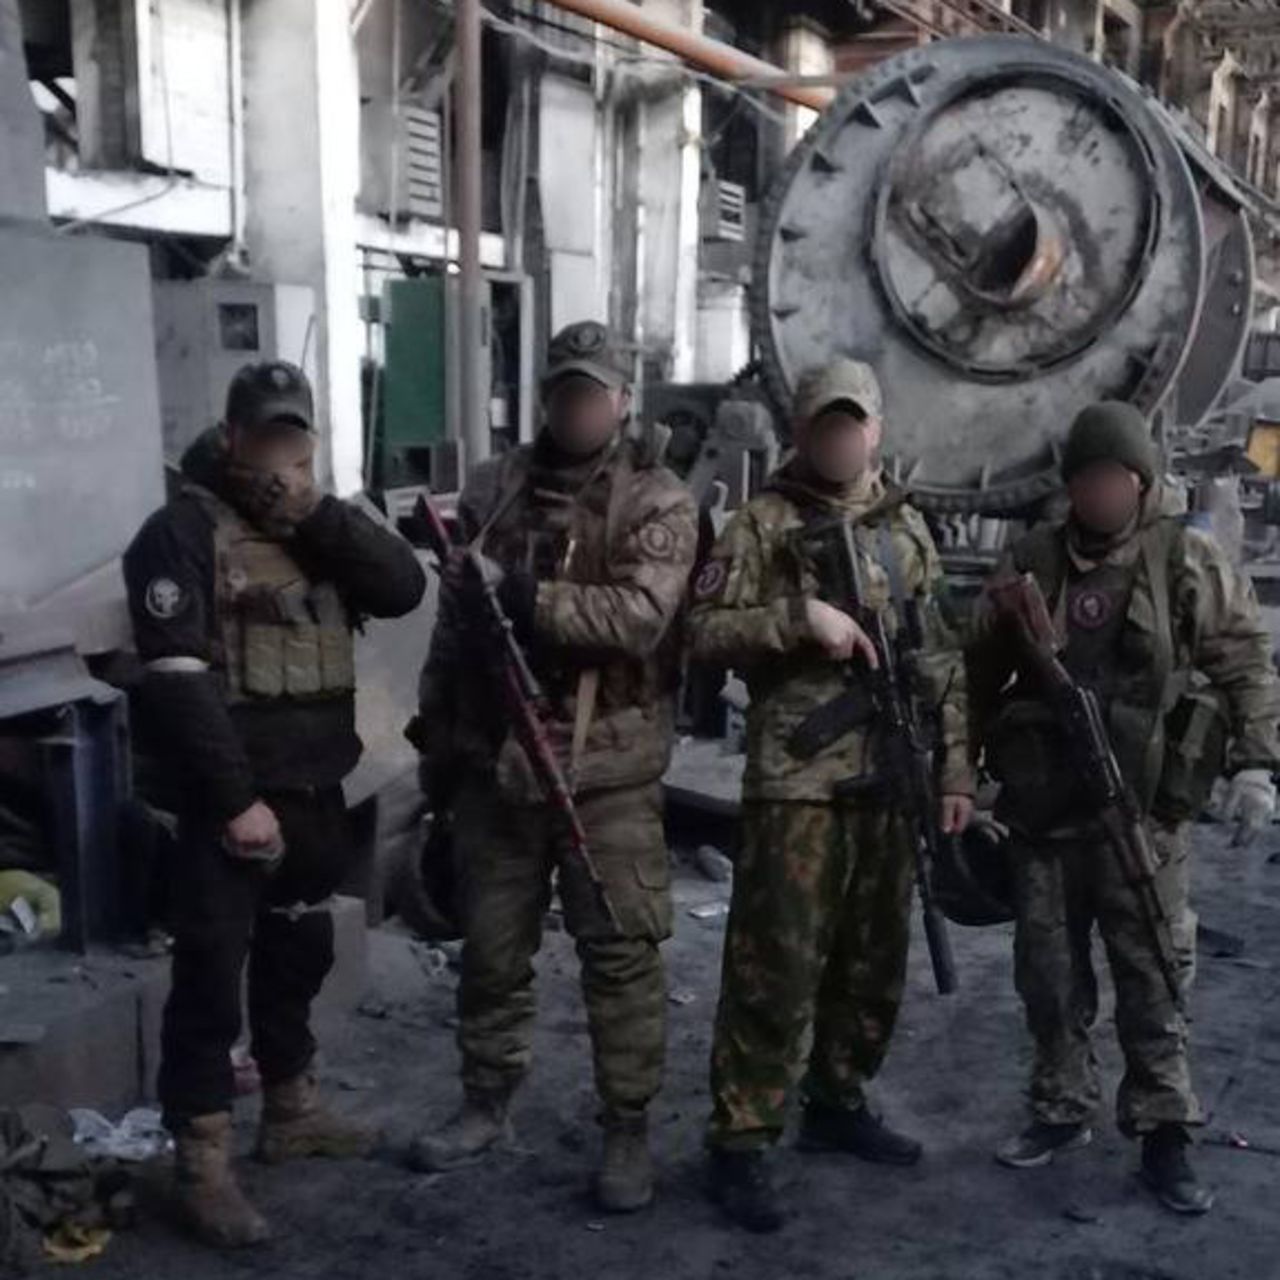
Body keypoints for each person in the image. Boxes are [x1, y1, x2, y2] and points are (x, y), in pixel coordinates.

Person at [123, 361, 426, 1247]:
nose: (280, 458)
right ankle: (202, 1165)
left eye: (296, 442)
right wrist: (234, 802)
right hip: (233, 805)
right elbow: (178, 687)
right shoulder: (177, 534)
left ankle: (290, 1110)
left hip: (317, 793)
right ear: (232, 439)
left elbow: (403, 587)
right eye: (266, 441)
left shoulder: (320, 527)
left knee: (300, 953)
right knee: (211, 981)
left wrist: (315, 511)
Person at [410, 321, 697, 1213]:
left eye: (592, 392)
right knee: (492, 953)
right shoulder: (496, 490)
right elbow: (458, 626)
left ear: (621, 401)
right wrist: (437, 741)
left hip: (606, 769)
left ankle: (627, 1131)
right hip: (499, 764)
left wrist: (525, 596)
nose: (576, 406)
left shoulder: (659, 501)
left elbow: (639, 619)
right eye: (563, 390)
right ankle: (485, 1102)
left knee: (620, 961)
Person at [968, 401, 1280, 1215]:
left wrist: (1256, 769)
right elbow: (973, 676)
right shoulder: (1034, 559)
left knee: (1153, 975)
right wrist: (959, 776)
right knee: (1048, 973)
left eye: (1113, 480)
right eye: (1085, 480)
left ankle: (1165, 1128)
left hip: (1140, 815)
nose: (1098, 494)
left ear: (1139, 483)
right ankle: (1061, 1106)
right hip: (1045, 812)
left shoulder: (1183, 560)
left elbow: (1246, 661)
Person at [687, 358, 974, 1232]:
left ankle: (838, 1099)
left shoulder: (908, 529)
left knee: (872, 957)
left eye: (852, 425)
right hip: (797, 783)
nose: (839, 440)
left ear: (876, 430)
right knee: (775, 968)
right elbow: (698, 635)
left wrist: (954, 768)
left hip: (891, 776)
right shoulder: (762, 523)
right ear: (802, 431)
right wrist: (795, 620)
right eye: (823, 426)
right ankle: (742, 1136)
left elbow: (945, 659)